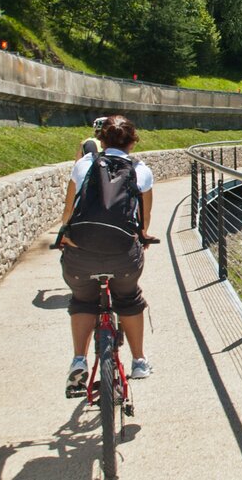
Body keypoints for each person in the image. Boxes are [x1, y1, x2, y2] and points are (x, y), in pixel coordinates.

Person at [55, 115, 158, 392]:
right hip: (123, 256)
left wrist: (65, 238)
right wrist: (143, 238)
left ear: (101, 141)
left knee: (82, 300)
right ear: (133, 142)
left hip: (81, 255)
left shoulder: (84, 165)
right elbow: (143, 222)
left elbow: (68, 213)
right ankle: (139, 362)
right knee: (129, 298)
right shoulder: (141, 171)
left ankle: (79, 359)